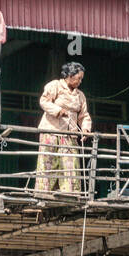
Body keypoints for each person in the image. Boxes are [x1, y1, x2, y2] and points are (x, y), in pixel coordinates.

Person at [36, 62, 92, 195]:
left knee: (70, 165)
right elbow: (44, 101)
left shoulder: (80, 95)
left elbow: (84, 115)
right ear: (69, 76)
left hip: (70, 134)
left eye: (81, 79)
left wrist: (86, 129)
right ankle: (44, 194)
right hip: (51, 131)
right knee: (48, 164)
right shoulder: (55, 85)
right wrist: (57, 110)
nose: (80, 81)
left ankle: (70, 194)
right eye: (78, 78)